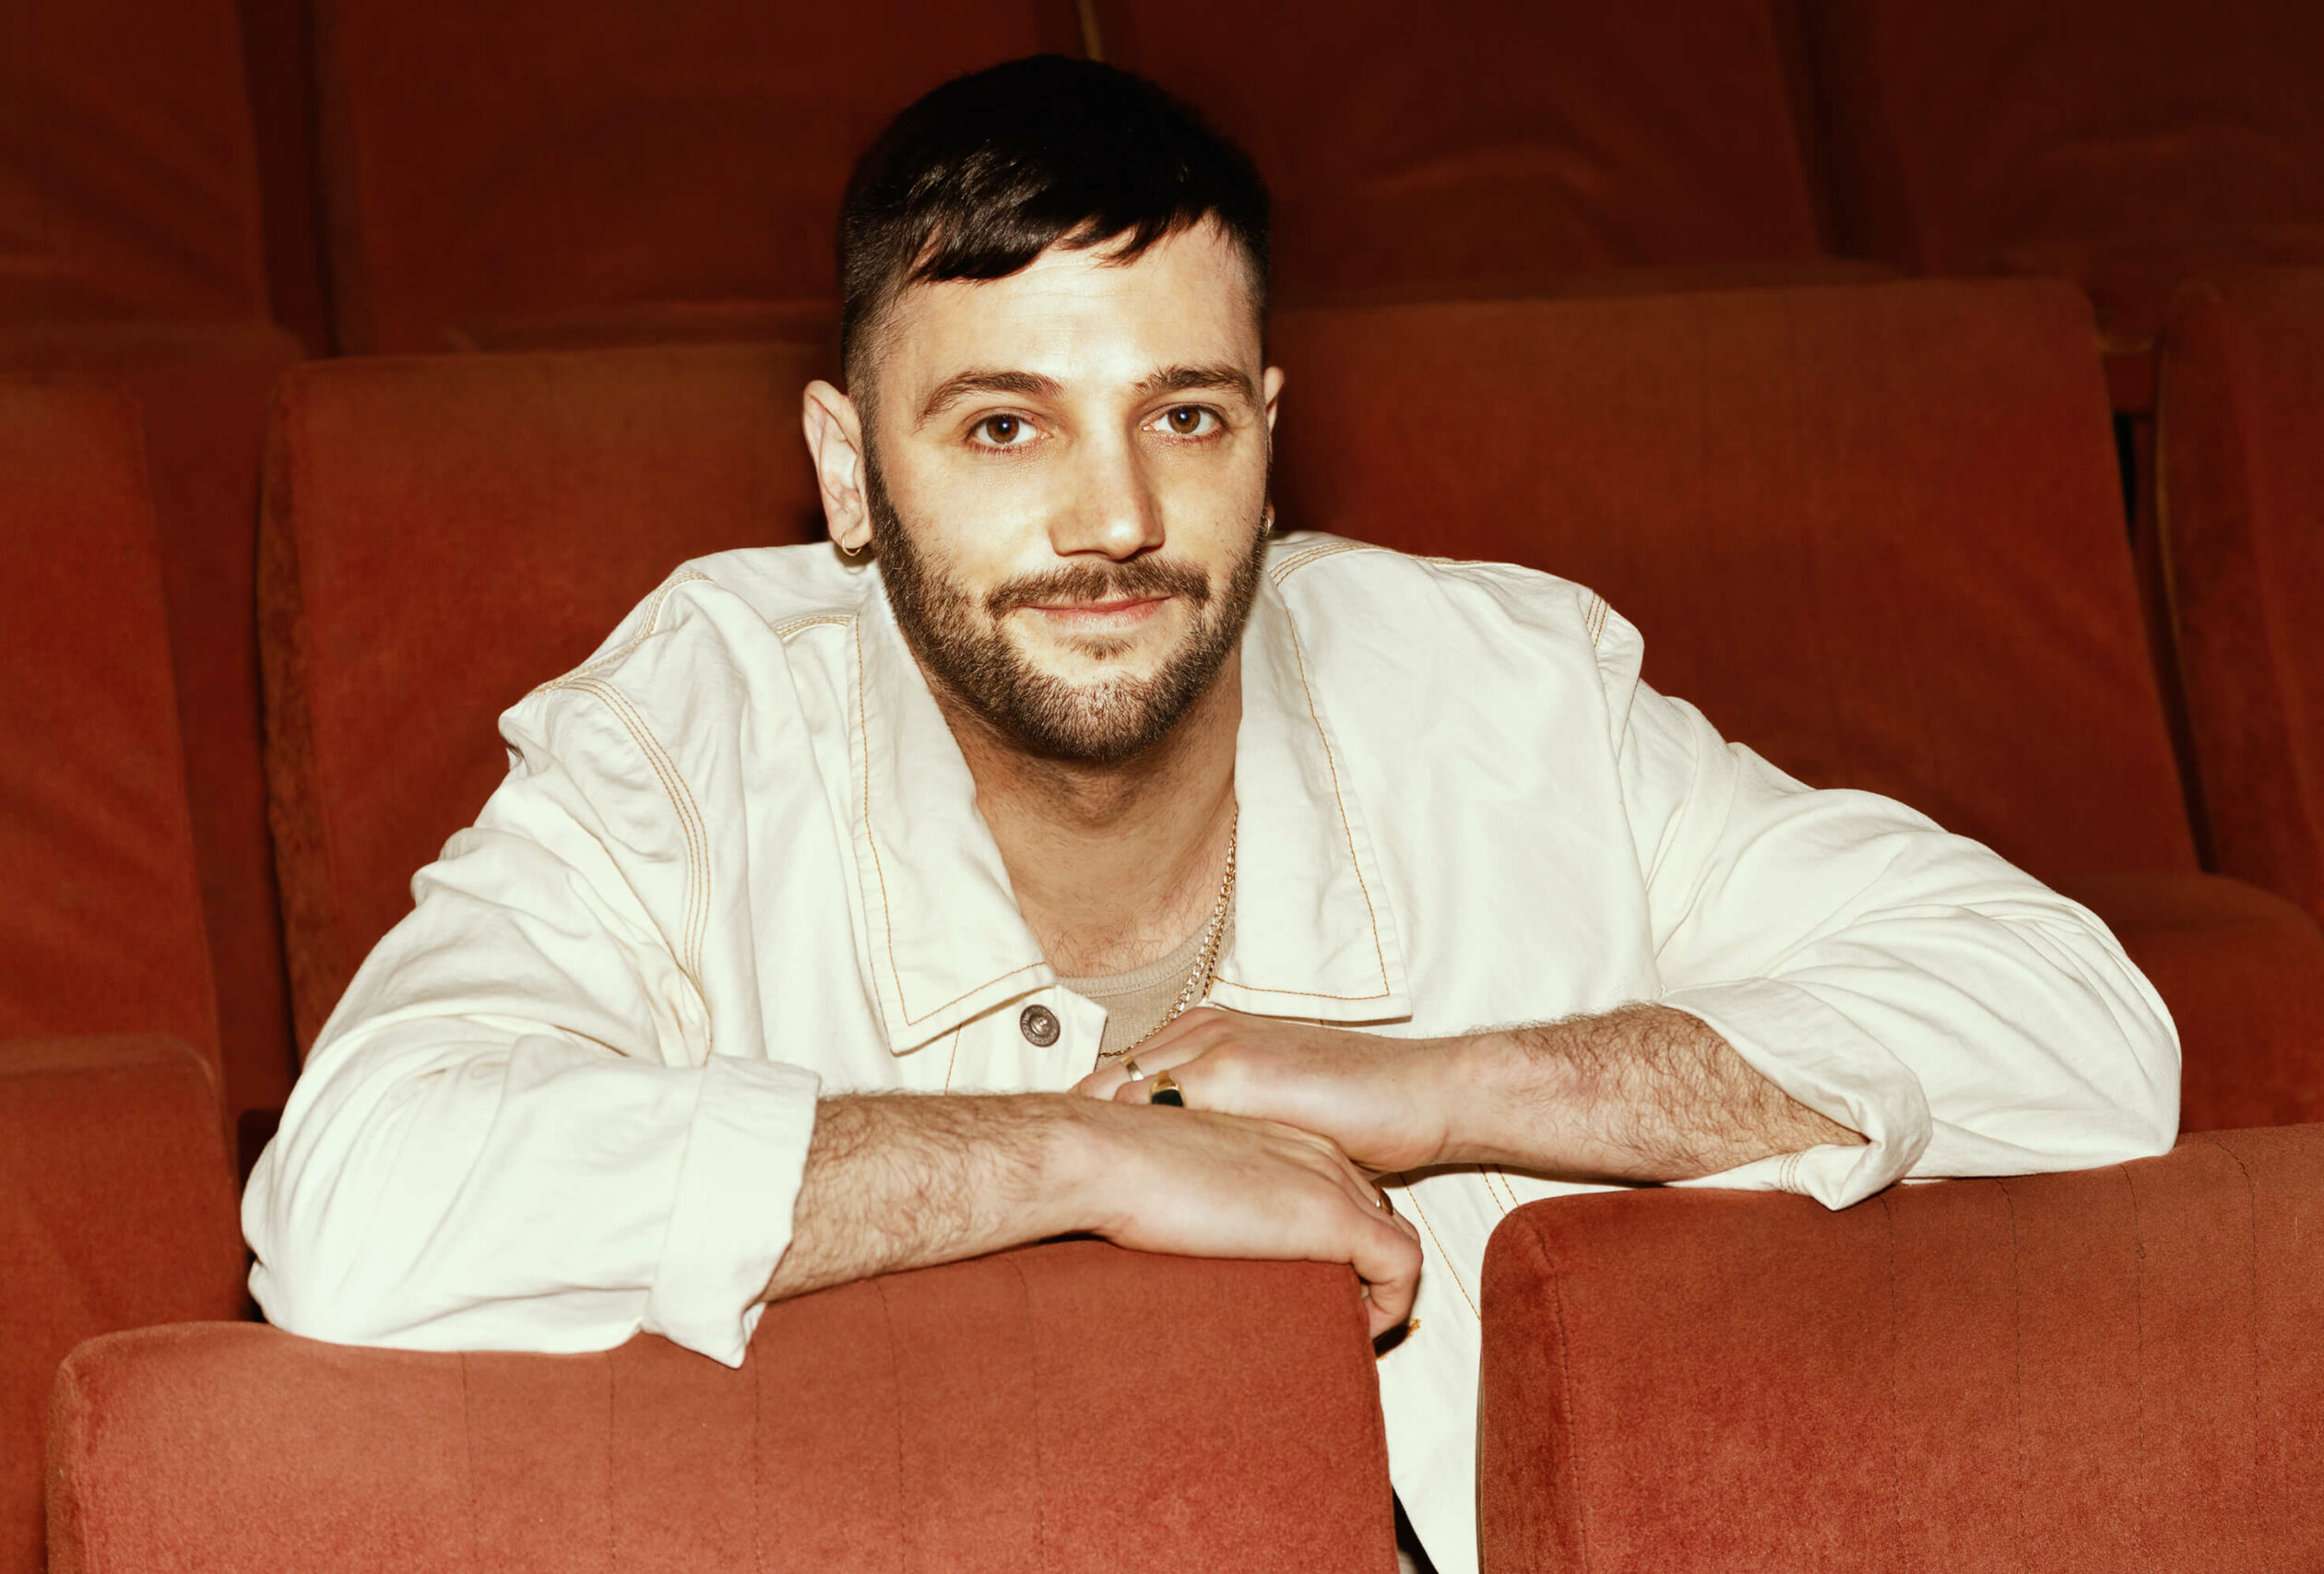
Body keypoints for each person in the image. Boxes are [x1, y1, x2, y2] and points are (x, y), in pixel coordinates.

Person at [244, 55, 2179, 1573]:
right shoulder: (694, 727)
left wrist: (1439, 1089)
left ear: (1268, 430)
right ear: (845, 469)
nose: (1113, 519)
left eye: (1183, 416)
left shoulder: (1504, 693)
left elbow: (2071, 1019)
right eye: (1003, 425)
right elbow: (360, 1197)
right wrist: (1073, 1157)